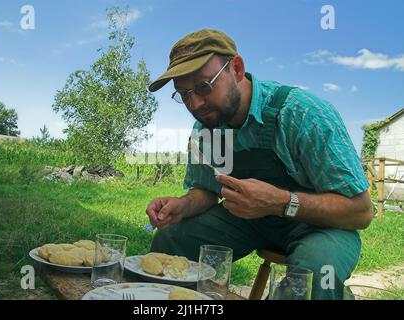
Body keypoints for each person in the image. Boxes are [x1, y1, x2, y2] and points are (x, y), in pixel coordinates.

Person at [145, 29, 373, 300]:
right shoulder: (207, 128)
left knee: (314, 274)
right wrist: (184, 204)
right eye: (183, 94)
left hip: (321, 225)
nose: (194, 104)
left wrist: (280, 202)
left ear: (237, 69)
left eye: (204, 87)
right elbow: (206, 191)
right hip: (248, 222)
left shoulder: (303, 113)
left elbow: (360, 211)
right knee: (170, 239)